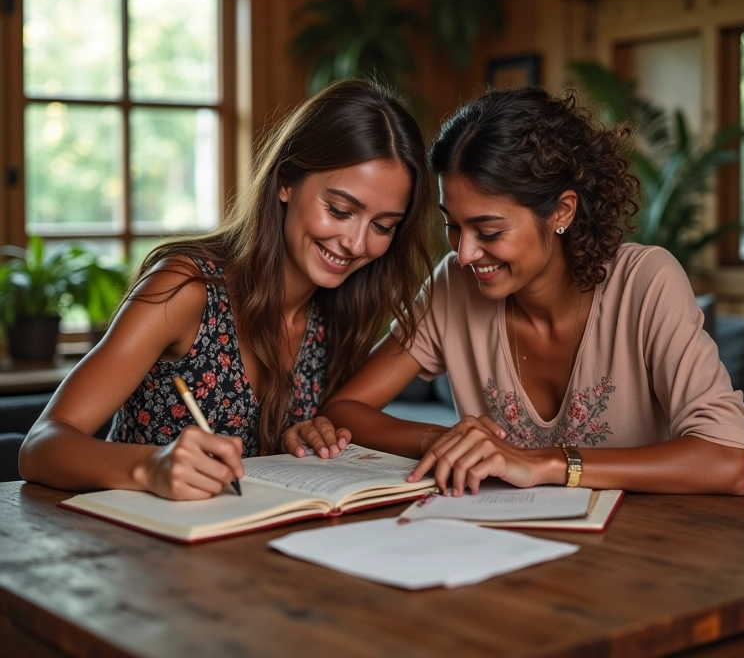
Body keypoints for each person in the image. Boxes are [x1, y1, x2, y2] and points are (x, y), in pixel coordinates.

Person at [320, 85, 744, 496]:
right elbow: (344, 410)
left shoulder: (645, 283)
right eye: (453, 225)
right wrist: (446, 439)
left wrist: (547, 464)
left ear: (562, 211)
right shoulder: (454, 285)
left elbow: (729, 459)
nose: (465, 254)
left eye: (489, 231)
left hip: (638, 544)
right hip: (499, 538)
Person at [19, 78, 433, 500]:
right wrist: (151, 467)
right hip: (132, 534)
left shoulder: (340, 315)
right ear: (286, 181)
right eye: (340, 210)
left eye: (383, 226)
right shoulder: (185, 288)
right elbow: (41, 447)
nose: (357, 244)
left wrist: (307, 435)